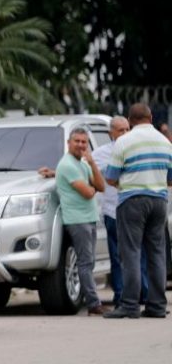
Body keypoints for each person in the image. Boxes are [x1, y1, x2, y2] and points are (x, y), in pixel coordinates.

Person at [103, 103, 172, 319]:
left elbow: (111, 177)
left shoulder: (124, 141)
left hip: (131, 200)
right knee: (157, 254)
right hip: (159, 201)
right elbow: (170, 178)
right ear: (150, 118)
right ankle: (157, 306)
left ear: (130, 121)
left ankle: (130, 305)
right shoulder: (165, 142)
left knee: (131, 252)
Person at [91, 116, 149, 305]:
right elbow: (82, 169)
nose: (124, 133)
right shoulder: (101, 153)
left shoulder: (138, 150)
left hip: (135, 211)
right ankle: (121, 296)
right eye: (120, 130)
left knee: (140, 254)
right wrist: (55, 172)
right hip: (113, 211)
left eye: (127, 129)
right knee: (117, 257)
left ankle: (143, 294)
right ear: (111, 133)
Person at [54, 126, 107, 316]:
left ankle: (92, 300)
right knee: (85, 263)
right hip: (77, 220)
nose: (81, 145)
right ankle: (94, 304)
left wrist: (92, 163)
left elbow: (101, 185)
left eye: (84, 142)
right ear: (69, 143)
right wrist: (92, 189)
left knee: (88, 262)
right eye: (77, 141)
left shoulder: (83, 164)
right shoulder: (67, 164)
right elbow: (87, 193)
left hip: (89, 218)